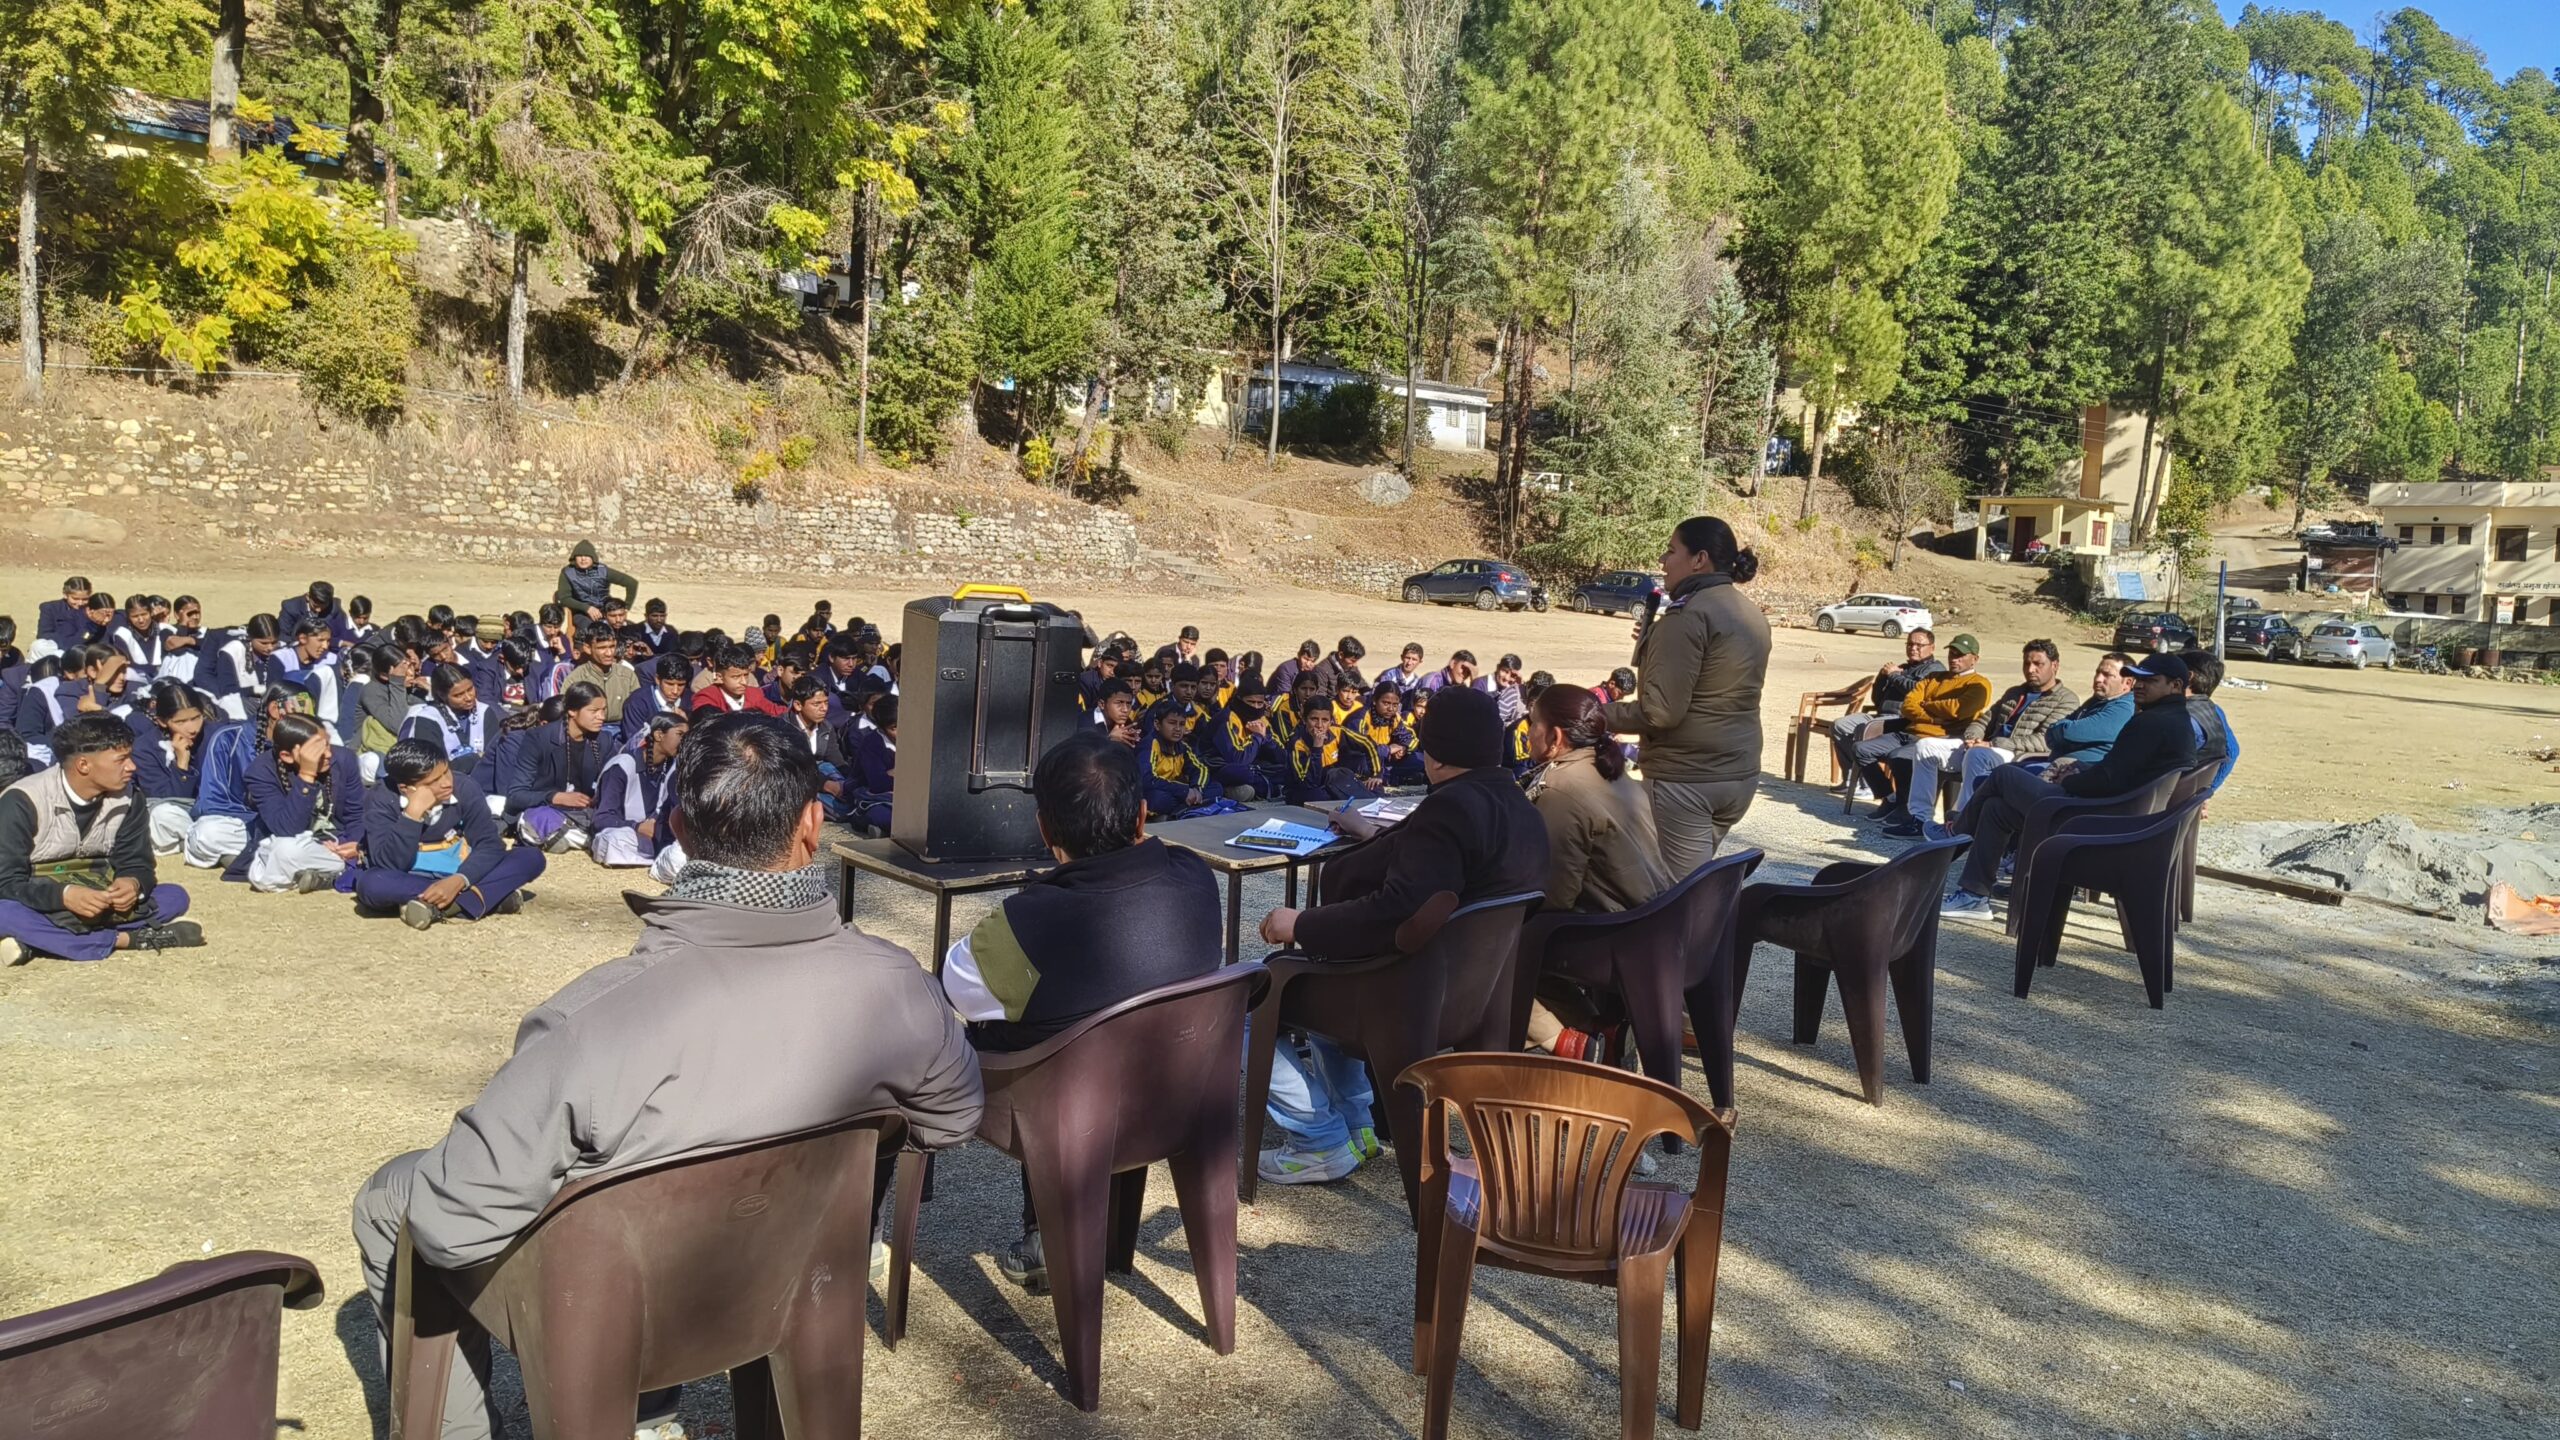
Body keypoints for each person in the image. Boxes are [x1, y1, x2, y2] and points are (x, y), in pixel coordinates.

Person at [350, 716, 983, 1440]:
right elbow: (953, 1118)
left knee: (392, 1199)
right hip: (791, 1275)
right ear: (813, 824)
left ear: (678, 830)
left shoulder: (596, 1021)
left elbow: (451, 1226)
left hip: (609, 1308)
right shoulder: (898, 984)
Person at [942, 730, 1221, 1292]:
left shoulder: (1030, 921)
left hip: (1069, 1110)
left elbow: (957, 986)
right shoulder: (1195, 876)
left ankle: (1044, 1229)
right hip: (1176, 1095)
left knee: (1022, 1027)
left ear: (1044, 830)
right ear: (1142, 815)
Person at [1252, 684, 1549, 1183]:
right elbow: (1438, 870)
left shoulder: (1451, 809)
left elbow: (1395, 911)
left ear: (1436, 755)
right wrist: (1374, 836)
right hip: (1465, 994)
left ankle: (1319, 1138)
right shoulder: (1521, 808)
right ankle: (1359, 1126)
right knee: (1319, 968)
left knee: (1253, 996)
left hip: (1401, 991)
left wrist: (1299, 923)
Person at [1940, 654, 2202, 919]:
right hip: (2115, 817)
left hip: (2092, 820)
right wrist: (2081, 769)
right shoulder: (2174, 720)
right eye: (2138, 679)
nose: (2140, 685)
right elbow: (2120, 772)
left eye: (2151, 680)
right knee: (1996, 809)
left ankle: (1950, 841)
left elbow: (2108, 780)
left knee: (2004, 775)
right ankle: (1973, 896)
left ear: (2175, 685)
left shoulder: (2151, 723)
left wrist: (2070, 779)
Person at [1605, 516, 1773, 876]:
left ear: (1699, 559)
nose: (1662, 561)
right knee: (1695, 880)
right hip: (1738, 772)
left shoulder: (1687, 615)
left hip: (1688, 778)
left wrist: (1598, 714)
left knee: (1677, 894)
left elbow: (1660, 713)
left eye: (1670, 551)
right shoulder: (1750, 613)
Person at [1521, 683, 1671, 1059]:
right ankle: (1600, 1031)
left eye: (1533, 723)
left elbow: (1553, 895)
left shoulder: (1561, 787)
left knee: (1490, 943)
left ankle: (1566, 1043)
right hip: (1651, 921)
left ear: (1555, 737)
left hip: (1613, 934)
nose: (1528, 731)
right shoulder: (1613, 772)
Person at [0, 713, 204, 961]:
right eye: (121, 759)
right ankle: (126, 939)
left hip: (100, 897)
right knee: (5, 913)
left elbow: (137, 861)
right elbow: (7, 881)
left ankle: (40, 942)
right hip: (41, 898)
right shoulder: (22, 800)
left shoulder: (130, 797)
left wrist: (132, 883)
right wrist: (64, 896)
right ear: (83, 765)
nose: (132, 766)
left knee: (174, 896)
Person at [1886, 639, 2076, 838]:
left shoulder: (2065, 700)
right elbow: (1984, 720)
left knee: (1977, 755)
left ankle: (1961, 826)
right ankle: (1919, 818)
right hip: (1985, 747)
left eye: (2038, 664)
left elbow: (2045, 740)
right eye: (2027, 663)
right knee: (1925, 747)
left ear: (2055, 665)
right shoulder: (2015, 692)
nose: (2030, 669)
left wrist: (1992, 743)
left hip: (2018, 755)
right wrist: (1973, 737)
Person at [357, 739, 547, 929]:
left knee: (531, 857)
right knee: (371, 884)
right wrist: (412, 815)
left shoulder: (464, 786)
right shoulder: (380, 798)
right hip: (411, 876)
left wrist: (459, 880)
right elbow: (389, 863)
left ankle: (443, 905)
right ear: (406, 788)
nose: (447, 783)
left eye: (446, 771)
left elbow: (489, 844)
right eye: (433, 781)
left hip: (462, 870)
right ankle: (481, 898)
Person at [224, 712, 365, 893]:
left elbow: (357, 814)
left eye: (327, 744)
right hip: (292, 842)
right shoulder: (260, 772)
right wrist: (307, 775)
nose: (329, 754)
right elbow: (286, 829)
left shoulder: (344, 759)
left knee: (280, 859)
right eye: (317, 751)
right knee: (285, 850)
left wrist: (356, 845)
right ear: (287, 756)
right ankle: (330, 872)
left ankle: (331, 872)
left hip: (338, 843)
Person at [1853, 633, 1991, 818]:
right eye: (1952, 653)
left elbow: (1957, 709)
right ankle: (1890, 798)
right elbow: (1908, 705)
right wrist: (1934, 718)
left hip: (1938, 738)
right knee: (1861, 749)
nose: (1954, 659)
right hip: (1908, 732)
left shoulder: (1979, 684)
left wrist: (1927, 704)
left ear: (1974, 659)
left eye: (1960, 655)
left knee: (1898, 757)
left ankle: (1907, 808)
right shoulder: (1934, 677)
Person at [183, 687, 293, 869]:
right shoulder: (228, 738)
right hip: (238, 825)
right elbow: (212, 803)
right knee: (206, 833)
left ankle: (246, 857)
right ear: (275, 709)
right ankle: (257, 857)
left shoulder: (305, 741)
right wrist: (259, 823)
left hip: (282, 828)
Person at [1827, 629, 1943, 797]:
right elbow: (1877, 699)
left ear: (1932, 648)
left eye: (1919, 645)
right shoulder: (1904, 667)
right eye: (1910, 644)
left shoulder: (1934, 670)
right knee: (1840, 725)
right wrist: (1882, 677)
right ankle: (1853, 779)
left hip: (1901, 719)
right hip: (1881, 715)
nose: (1913, 648)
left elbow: (1916, 690)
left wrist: (1894, 676)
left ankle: (1868, 785)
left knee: (1865, 728)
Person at [593, 713, 688, 879]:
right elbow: (602, 818)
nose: (684, 741)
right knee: (614, 840)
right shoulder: (622, 766)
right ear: (659, 735)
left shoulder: (673, 768)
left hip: (656, 836)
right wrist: (637, 827)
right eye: (680, 734)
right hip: (626, 833)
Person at [126, 680, 209, 855]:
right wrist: (182, 765)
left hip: (210, 811)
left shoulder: (215, 736)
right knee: (162, 815)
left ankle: (199, 841)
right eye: (181, 721)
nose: (192, 728)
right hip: (174, 814)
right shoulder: (145, 748)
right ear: (163, 722)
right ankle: (201, 842)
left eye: (196, 718)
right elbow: (166, 799)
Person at [401, 664, 502, 777]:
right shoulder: (428, 719)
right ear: (442, 695)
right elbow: (435, 766)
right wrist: (476, 757)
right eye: (458, 695)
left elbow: (492, 757)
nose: (469, 698)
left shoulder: (484, 712)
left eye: (470, 689)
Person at [1199, 679, 1283, 802]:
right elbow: (1237, 759)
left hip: (1253, 766)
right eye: (1251, 702)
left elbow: (1281, 754)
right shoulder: (1226, 719)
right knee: (1241, 772)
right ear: (1239, 699)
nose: (1255, 707)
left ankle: (1261, 786)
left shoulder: (1261, 719)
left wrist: (1265, 738)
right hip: (1220, 766)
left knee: (1285, 767)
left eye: (1259, 703)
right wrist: (1257, 737)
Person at [1285, 702, 1381, 802]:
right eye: (1314, 719)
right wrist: (1317, 748)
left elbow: (1368, 743)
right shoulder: (1297, 743)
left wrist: (1376, 774)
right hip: (1308, 788)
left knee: (1375, 787)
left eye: (1325, 720)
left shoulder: (1337, 732)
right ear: (1304, 720)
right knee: (1318, 797)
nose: (1319, 725)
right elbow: (1307, 782)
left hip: (1334, 780)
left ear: (1331, 721)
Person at [1140, 705, 1218, 818]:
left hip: (1174, 790)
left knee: (1215, 787)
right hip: (1153, 791)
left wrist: (1197, 789)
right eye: (1172, 723)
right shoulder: (1149, 744)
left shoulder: (1182, 746)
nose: (1177, 729)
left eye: (1181, 724)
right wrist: (1183, 791)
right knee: (1159, 799)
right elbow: (1147, 779)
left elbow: (1200, 769)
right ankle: (1187, 808)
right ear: (1157, 725)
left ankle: (1185, 807)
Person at [2183, 650, 2240, 798]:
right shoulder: (2213, 709)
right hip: (2188, 797)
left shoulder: (2179, 715)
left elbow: (2232, 752)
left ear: (2188, 677)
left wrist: (2208, 790)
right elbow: (2232, 751)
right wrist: (2207, 790)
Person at [1347, 682, 1423, 785]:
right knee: (1363, 763)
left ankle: (1389, 777)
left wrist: (1403, 748)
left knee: (1420, 759)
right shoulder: (1360, 719)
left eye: (1395, 705)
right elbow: (1360, 751)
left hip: (1386, 760)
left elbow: (1412, 740)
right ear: (1375, 700)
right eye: (1386, 703)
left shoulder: (1395, 718)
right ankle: (1391, 779)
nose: (1391, 709)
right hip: (1363, 762)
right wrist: (1388, 749)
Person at [564, 622, 640, 720]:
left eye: (612, 646)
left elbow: (638, 708)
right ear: (588, 648)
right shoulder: (576, 678)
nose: (609, 653)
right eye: (602, 648)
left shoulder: (628, 675)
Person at [553, 538, 639, 625]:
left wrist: (626, 607)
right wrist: (587, 608)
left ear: (592, 557)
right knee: (589, 629)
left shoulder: (603, 571)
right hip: (582, 612)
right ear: (574, 558)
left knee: (630, 628)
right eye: (579, 556)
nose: (583, 559)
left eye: (587, 556)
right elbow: (565, 598)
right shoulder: (567, 573)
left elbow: (631, 583)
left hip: (605, 609)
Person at [33, 577, 92, 661]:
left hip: (83, 650)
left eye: (85, 599)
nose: (80, 603)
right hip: (57, 648)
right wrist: (67, 642)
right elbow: (43, 634)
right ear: (65, 595)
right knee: (38, 646)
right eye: (75, 599)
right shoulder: (50, 608)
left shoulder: (93, 610)